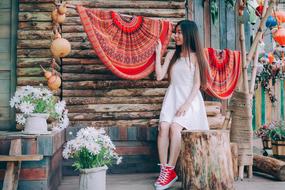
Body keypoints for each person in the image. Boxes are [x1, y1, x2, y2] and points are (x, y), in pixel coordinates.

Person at [154, 20, 209, 190]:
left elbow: (197, 85)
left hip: (190, 100)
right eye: (175, 32)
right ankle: (165, 170)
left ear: (189, 34)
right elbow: (159, 76)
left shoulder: (196, 57)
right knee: (163, 127)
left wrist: (186, 105)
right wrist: (158, 54)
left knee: (174, 128)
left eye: (179, 32)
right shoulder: (172, 55)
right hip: (172, 97)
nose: (175, 36)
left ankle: (170, 167)